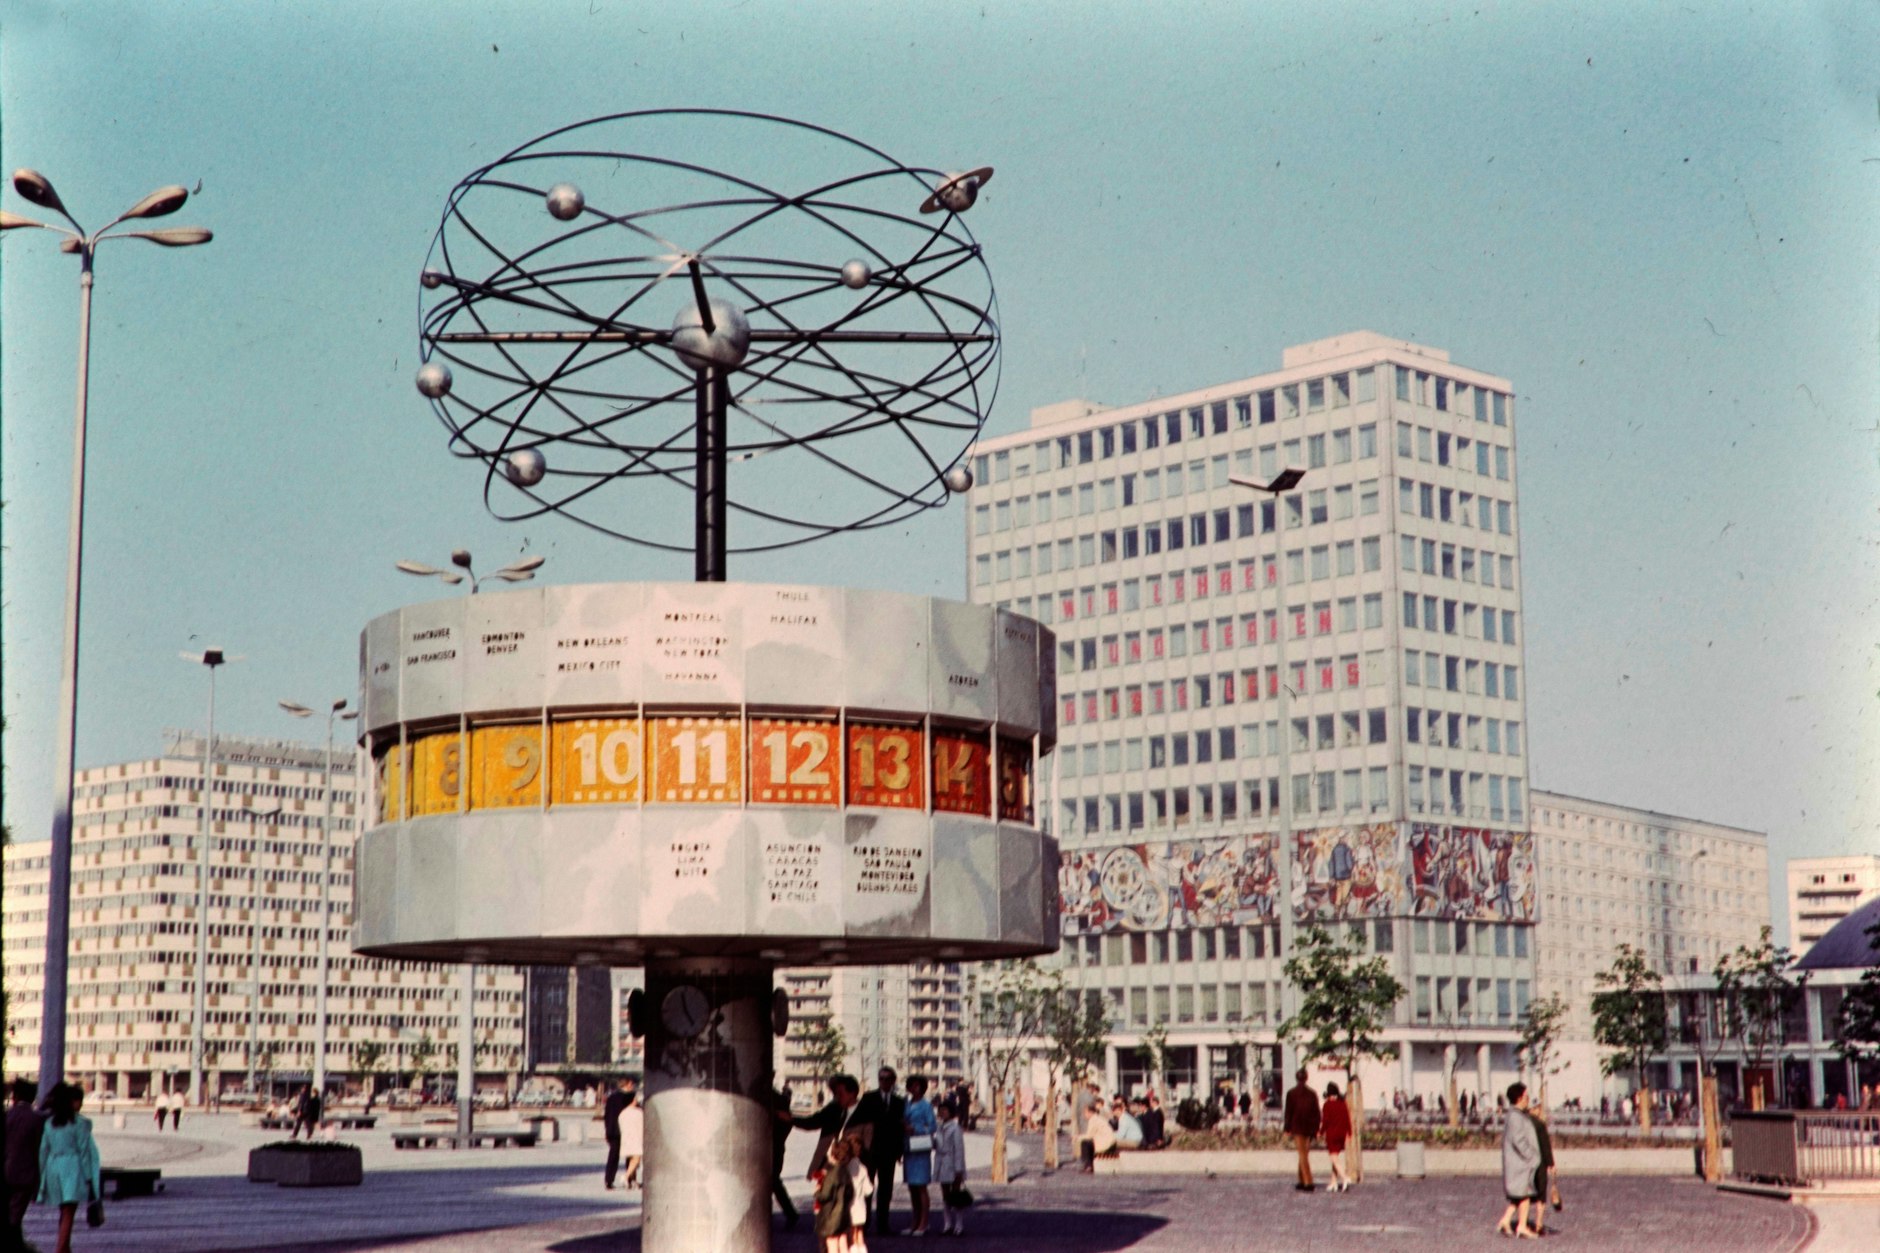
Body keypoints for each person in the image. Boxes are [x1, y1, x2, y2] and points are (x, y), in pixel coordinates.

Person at [36, 1083, 101, 1253]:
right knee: (68, 1212)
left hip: (53, 1167)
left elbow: (43, 1150)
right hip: (72, 1168)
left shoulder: (50, 1123)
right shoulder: (80, 1123)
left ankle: (65, 1247)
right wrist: (89, 1178)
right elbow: (85, 1152)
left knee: (63, 1211)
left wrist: (42, 1175)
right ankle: (61, 1248)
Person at [855, 1067, 905, 1237]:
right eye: (881, 1078)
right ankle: (864, 1223)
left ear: (893, 1081)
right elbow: (859, 1122)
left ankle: (883, 1224)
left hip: (889, 1153)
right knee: (867, 1188)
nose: (884, 1082)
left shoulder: (899, 1102)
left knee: (886, 1189)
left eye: (887, 1078)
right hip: (869, 1151)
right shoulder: (868, 1098)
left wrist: (899, 1152)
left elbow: (900, 1129)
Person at [790, 1075, 870, 1180]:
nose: (837, 1097)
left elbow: (867, 1148)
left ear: (852, 1093)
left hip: (852, 1172)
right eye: (835, 1093)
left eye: (840, 1093)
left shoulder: (866, 1116)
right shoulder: (833, 1109)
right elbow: (813, 1122)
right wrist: (791, 1119)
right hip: (827, 1168)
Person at [1496, 1082, 1543, 1239]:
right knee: (1524, 1196)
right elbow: (1519, 1140)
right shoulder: (1516, 1117)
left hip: (1519, 1164)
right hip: (1520, 1164)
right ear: (1519, 1097)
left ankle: (1505, 1221)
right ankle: (1522, 1226)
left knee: (1520, 1195)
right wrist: (1532, 1157)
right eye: (1526, 1096)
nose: (1528, 1099)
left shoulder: (1515, 1115)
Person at [6, 1078, 47, 1253]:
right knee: (16, 1213)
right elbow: (40, 1150)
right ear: (33, 1098)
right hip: (26, 1174)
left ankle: (15, 1242)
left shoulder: (7, 1116)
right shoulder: (37, 1119)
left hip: (6, 1170)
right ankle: (15, 1244)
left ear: (15, 1096)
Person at [900, 1077, 936, 1236]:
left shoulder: (926, 1106)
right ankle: (914, 1222)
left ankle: (924, 1222)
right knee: (912, 1187)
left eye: (918, 1086)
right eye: (912, 1086)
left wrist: (915, 1129)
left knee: (921, 1187)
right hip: (909, 1149)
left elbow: (932, 1126)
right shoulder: (906, 1104)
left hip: (920, 1149)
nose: (915, 1089)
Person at [814, 1135, 861, 1253]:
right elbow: (850, 1193)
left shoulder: (831, 1175)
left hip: (831, 1216)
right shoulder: (845, 1172)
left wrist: (817, 1191)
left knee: (832, 1244)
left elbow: (825, 1195)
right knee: (843, 1242)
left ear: (833, 1155)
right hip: (843, 1214)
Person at [1283, 1069, 1321, 1192]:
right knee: (1304, 1153)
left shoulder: (1291, 1093)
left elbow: (1288, 1112)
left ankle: (1308, 1181)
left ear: (1296, 1078)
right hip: (1309, 1128)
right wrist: (1316, 1128)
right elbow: (1317, 1113)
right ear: (1306, 1078)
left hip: (1297, 1127)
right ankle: (1301, 1179)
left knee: (1302, 1154)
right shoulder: (1312, 1094)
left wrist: (1287, 1128)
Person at [933, 1099, 967, 1237]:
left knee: (956, 1195)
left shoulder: (955, 1128)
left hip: (952, 1164)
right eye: (940, 1110)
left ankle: (959, 1224)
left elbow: (959, 1150)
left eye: (945, 1110)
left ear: (951, 1112)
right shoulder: (939, 1127)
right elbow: (937, 1144)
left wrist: (959, 1169)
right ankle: (947, 1224)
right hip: (942, 1163)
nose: (942, 1112)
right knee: (945, 1195)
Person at [770, 1084, 799, 1230]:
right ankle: (790, 1213)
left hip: (773, 1148)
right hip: (775, 1148)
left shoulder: (777, 1102)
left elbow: (785, 1125)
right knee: (773, 1182)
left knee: (773, 1182)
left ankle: (791, 1213)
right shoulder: (779, 1101)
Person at [602, 1078, 635, 1190]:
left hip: (613, 1130)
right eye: (631, 1084)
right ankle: (629, 1179)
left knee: (613, 1156)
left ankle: (609, 1180)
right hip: (626, 1130)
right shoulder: (630, 1097)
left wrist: (607, 1130)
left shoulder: (611, 1097)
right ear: (627, 1085)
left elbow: (607, 1115)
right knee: (630, 1155)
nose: (632, 1086)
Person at [1320, 1082, 1352, 1193]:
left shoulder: (1327, 1105)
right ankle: (1333, 1182)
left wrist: (1320, 1132)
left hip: (1332, 1134)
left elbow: (1325, 1121)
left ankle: (1344, 1177)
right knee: (1336, 1158)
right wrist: (1349, 1133)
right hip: (1342, 1134)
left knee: (1334, 1159)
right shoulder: (1343, 1104)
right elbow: (1347, 1119)